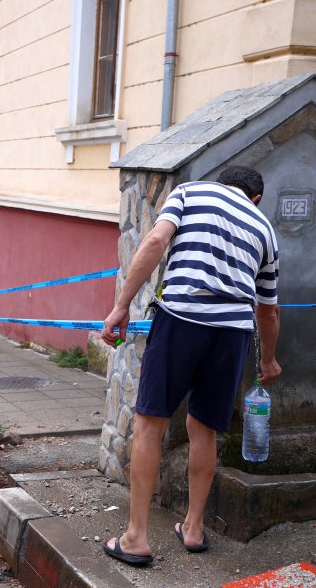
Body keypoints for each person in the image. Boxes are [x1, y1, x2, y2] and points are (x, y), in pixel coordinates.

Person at [99, 166, 281, 565]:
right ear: (256, 198)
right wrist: (267, 360)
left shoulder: (190, 193)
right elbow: (269, 310)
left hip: (181, 317)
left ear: (222, 185)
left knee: (151, 422)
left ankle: (136, 538)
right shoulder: (265, 229)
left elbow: (154, 241)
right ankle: (194, 528)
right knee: (205, 429)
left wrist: (121, 306)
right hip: (234, 332)